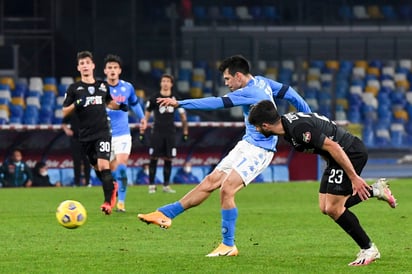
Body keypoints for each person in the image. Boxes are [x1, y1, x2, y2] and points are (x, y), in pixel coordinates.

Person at [137, 55, 311, 257]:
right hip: (246, 144)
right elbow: (290, 93)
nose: (227, 84)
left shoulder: (249, 92)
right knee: (211, 181)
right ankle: (166, 214)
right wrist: (308, 116)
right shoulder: (263, 82)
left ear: (238, 76)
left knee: (227, 189)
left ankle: (228, 245)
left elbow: (214, 103)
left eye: (228, 79)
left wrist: (180, 104)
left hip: (261, 150)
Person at [248, 99, 397, 266]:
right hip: (335, 158)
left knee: (334, 208)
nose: (256, 129)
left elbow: (333, 146)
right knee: (325, 206)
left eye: (257, 126)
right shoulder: (288, 127)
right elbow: (322, 146)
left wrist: (353, 177)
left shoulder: (297, 130)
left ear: (266, 125)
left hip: (349, 152)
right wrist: (331, 166)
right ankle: (375, 191)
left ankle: (369, 249)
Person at [62, 50, 129, 215]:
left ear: (93, 66)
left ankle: (107, 203)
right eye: (82, 64)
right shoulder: (74, 88)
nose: (85, 66)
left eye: (87, 63)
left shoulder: (102, 85)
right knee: (97, 168)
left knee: (103, 164)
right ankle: (112, 186)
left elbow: (109, 103)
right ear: (78, 68)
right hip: (85, 135)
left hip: (102, 132)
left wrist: (120, 106)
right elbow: (64, 111)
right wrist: (77, 103)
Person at [103, 54, 147, 212]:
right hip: (104, 135)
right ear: (105, 71)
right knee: (109, 171)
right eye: (110, 68)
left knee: (121, 166)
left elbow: (134, 104)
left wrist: (142, 118)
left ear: (120, 70)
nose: (112, 70)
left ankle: (121, 202)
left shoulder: (127, 87)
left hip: (122, 134)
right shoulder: (99, 88)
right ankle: (113, 192)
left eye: (115, 67)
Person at [141, 73, 189, 194]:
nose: (165, 83)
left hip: (170, 133)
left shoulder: (175, 99)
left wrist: (185, 132)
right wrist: (142, 130)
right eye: (163, 81)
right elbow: (146, 116)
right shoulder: (154, 98)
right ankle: (151, 185)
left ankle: (166, 185)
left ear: (171, 84)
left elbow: (183, 116)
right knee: (154, 158)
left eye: (168, 81)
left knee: (168, 159)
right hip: (156, 132)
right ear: (161, 83)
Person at [62, 112, 91, 187]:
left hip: (87, 139)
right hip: (75, 139)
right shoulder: (72, 111)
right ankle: (77, 182)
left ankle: (87, 182)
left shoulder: (89, 110)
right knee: (76, 161)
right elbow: (63, 123)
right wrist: (67, 130)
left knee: (87, 161)